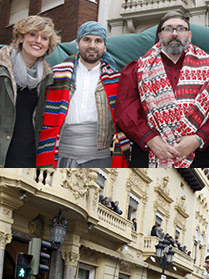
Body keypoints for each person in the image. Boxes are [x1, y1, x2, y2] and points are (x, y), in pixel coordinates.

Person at [115, 12, 209, 167]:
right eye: (168, 29)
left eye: (181, 29)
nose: (175, 33)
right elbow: (125, 109)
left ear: (189, 35)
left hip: (198, 154)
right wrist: (150, 139)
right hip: (148, 152)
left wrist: (198, 138)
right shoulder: (138, 68)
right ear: (159, 35)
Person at [35, 21, 129, 167]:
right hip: (59, 155)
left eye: (98, 41)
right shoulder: (56, 75)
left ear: (104, 47)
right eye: (87, 39)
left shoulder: (117, 81)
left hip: (101, 159)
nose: (92, 45)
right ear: (78, 44)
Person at [0, 15, 58, 167]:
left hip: (28, 157)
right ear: (20, 37)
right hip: (3, 153)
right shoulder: (2, 68)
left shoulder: (47, 78)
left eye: (44, 38)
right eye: (33, 34)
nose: (38, 41)